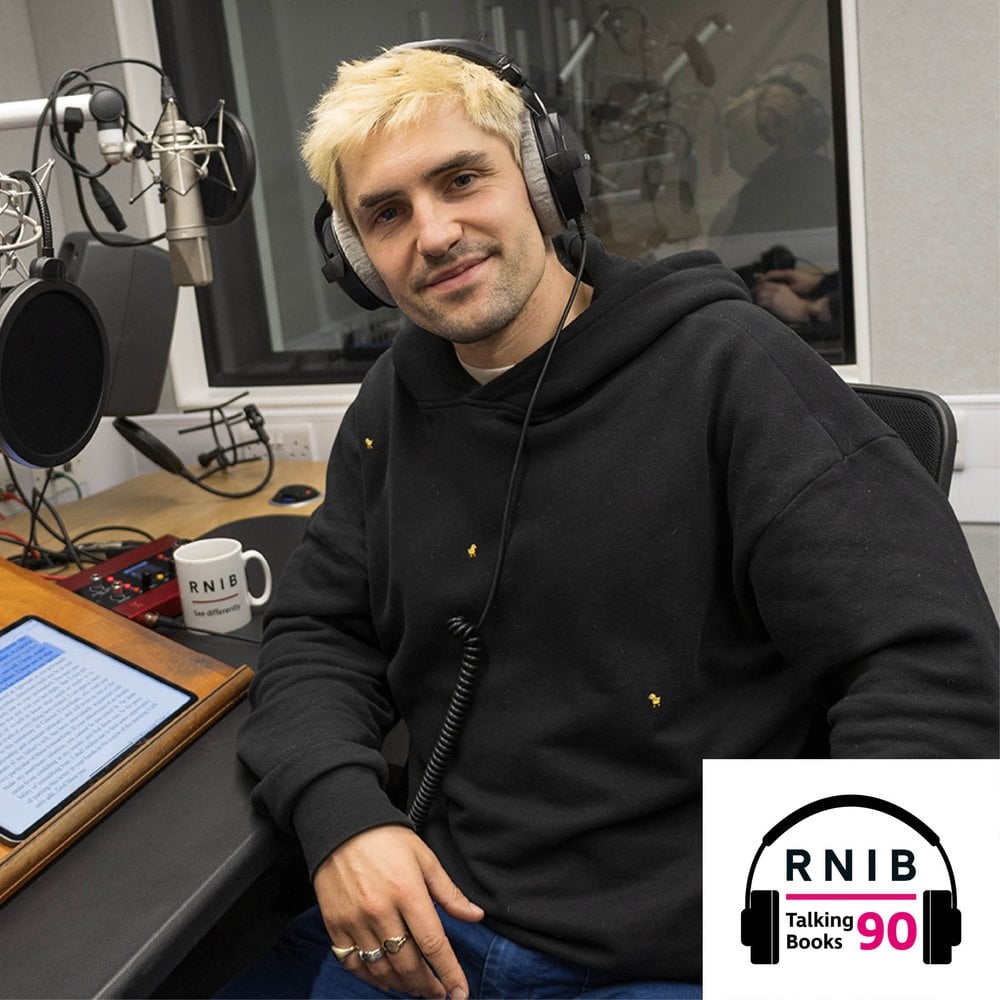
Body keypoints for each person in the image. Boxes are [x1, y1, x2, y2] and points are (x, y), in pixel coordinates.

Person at [224, 40, 1000, 1000]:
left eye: (462, 178)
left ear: (545, 182)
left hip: (689, 949)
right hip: (444, 920)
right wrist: (343, 815)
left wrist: (832, 962)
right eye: (386, 213)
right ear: (356, 258)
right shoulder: (392, 403)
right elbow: (316, 632)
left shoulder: (728, 367)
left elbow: (927, 671)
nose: (433, 233)